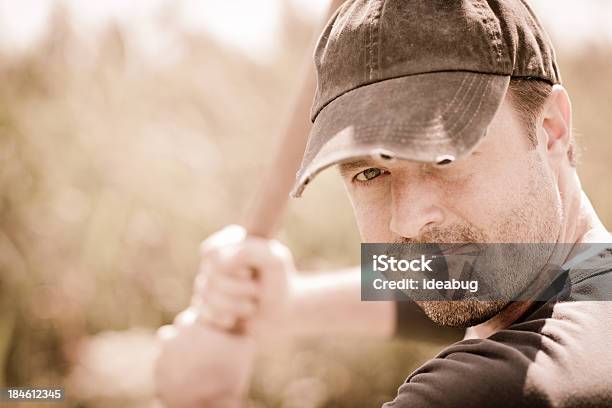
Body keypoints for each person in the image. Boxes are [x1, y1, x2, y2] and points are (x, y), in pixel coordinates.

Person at [155, 0, 612, 407]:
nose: (407, 220)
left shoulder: (491, 387)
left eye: (445, 157)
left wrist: (203, 397)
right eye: (370, 173)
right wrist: (286, 303)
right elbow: (464, 273)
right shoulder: (575, 289)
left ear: (551, 128)